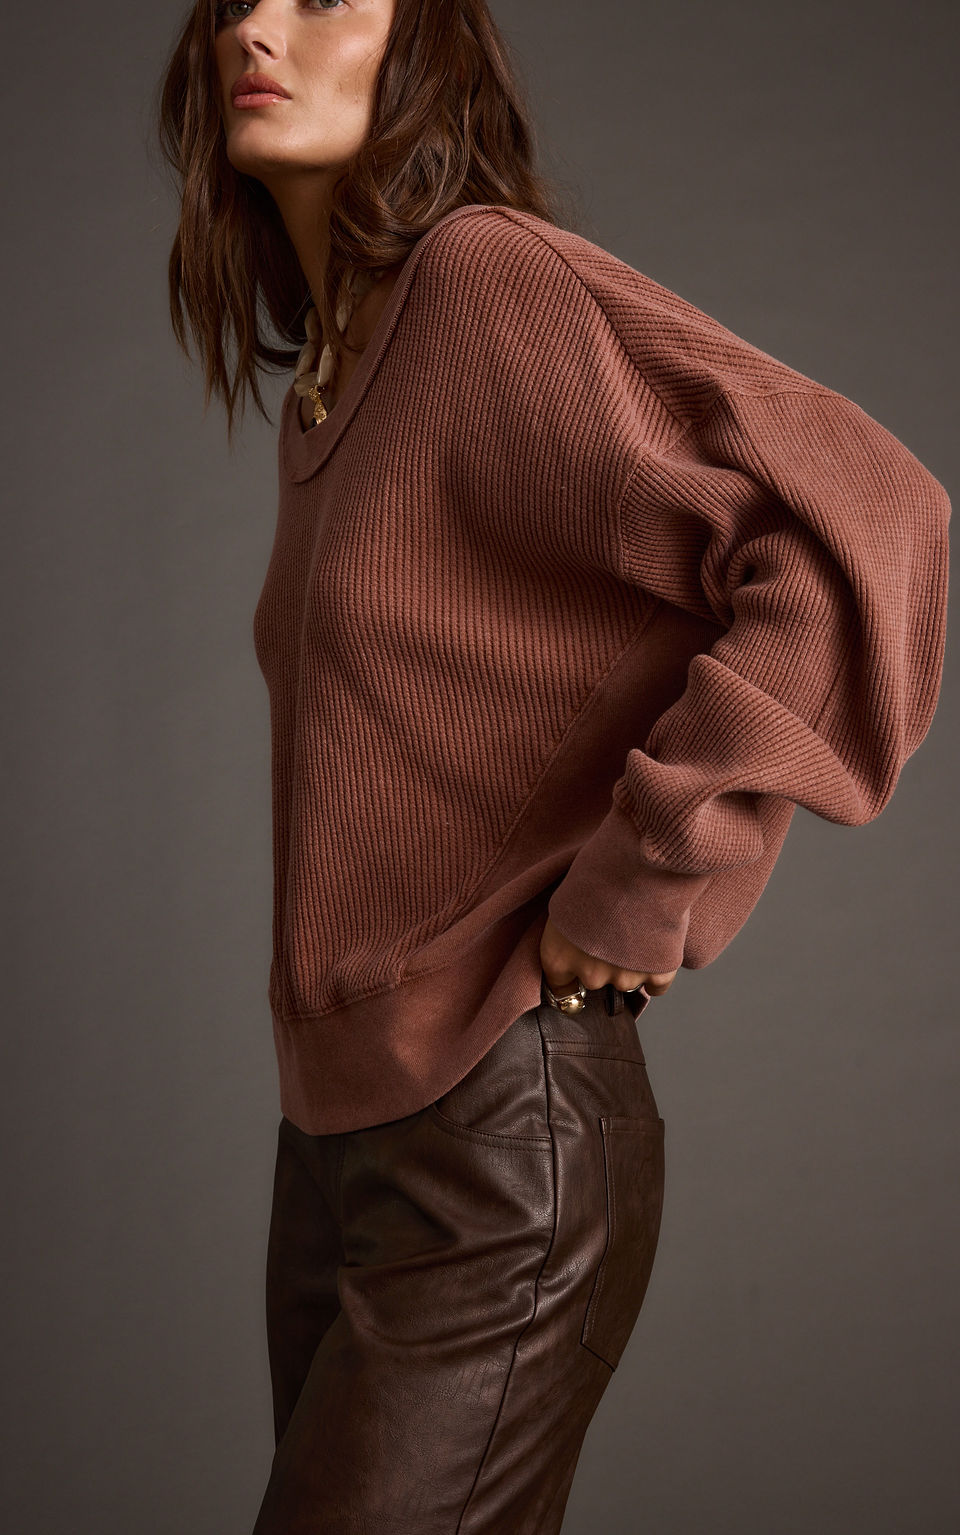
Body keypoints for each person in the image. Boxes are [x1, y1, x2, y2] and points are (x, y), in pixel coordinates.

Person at [156, 2, 951, 1530]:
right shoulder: (332, 382)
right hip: (333, 1156)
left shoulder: (482, 280)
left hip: (494, 1142)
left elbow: (871, 514)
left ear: (422, 47)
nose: (254, 26)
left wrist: (646, 875)